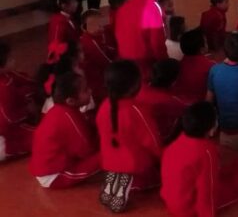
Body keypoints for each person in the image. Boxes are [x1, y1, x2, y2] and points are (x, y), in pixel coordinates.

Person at [160, 102, 238, 217]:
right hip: (190, 209)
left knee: (227, 170)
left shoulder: (176, 142)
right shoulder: (206, 151)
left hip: (177, 199)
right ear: (211, 129)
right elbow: (207, 192)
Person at [96, 60, 162, 213]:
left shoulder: (104, 105)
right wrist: (161, 156)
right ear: (134, 86)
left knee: (119, 162)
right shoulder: (136, 110)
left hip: (108, 156)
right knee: (151, 175)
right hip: (133, 161)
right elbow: (152, 141)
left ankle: (113, 181)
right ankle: (124, 185)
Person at [29, 72, 100, 188]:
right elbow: (87, 151)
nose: (90, 91)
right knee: (106, 156)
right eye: (85, 90)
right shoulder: (68, 117)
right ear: (70, 101)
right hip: (54, 175)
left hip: (48, 166)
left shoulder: (60, 110)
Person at [115, 0, 173, 80]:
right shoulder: (154, 8)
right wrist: (166, 66)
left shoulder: (125, 6)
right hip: (146, 69)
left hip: (126, 66)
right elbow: (157, 45)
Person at [0, 41, 37, 161]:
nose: (14, 61)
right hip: (5, 136)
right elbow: (8, 120)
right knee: (44, 138)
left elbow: (27, 81)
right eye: (10, 59)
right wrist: (26, 109)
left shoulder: (7, 76)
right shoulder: (3, 87)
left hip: (10, 126)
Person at [136, 59, 187, 142]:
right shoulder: (169, 101)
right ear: (173, 81)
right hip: (159, 136)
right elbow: (184, 109)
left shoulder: (140, 86)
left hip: (139, 130)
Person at [80, 9, 115, 103]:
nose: (100, 28)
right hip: (95, 82)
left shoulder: (97, 36)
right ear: (84, 27)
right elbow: (105, 60)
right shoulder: (89, 42)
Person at [172, 28, 214, 103]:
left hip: (178, 102)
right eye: (206, 42)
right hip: (199, 105)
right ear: (202, 49)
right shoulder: (211, 66)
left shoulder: (178, 65)